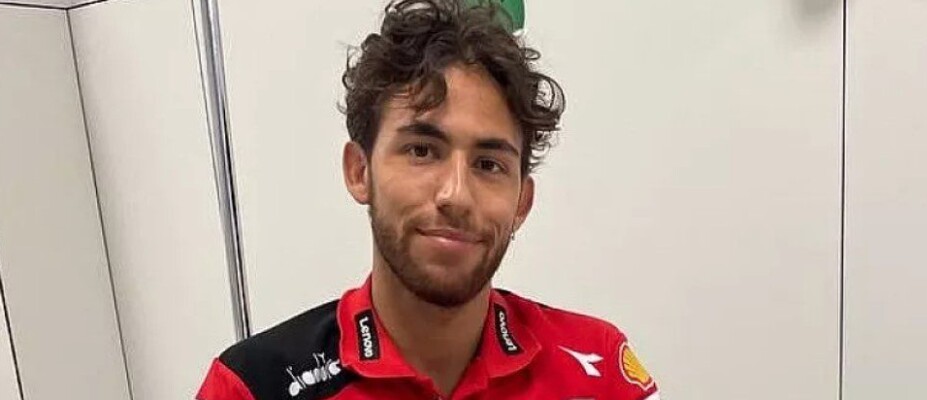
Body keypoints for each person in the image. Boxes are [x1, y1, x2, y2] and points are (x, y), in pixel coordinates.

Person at [196, 0, 660, 399]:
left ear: (522, 202)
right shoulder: (252, 386)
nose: (455, 194)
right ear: (359, 171)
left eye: (488, 164)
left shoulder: (597, 369)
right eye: (422, 151)